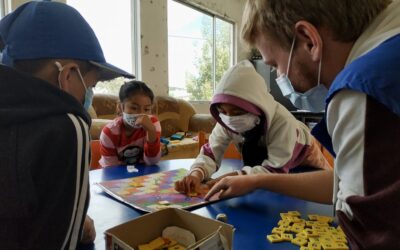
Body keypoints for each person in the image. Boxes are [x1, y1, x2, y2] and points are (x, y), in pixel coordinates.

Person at [206, 1, 400, 249]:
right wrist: (256, 180)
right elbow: (341, 184)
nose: (278, 78)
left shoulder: (361, 90)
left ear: (309, 40)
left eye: (275, 65)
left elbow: (372, 237)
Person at [0, 2, 133, 249]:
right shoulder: (68, 126)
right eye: (91, 85)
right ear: (67, 75)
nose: (89, 94)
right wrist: (72, 222)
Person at [175, 60, 331, 194]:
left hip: (304, 165)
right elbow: (210, 153)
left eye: (238, 112)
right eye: (223, 111)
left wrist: (233, 177)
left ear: (257, 108)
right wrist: (196, 174)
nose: (230, 118)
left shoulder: (283, 123)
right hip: (269, 165)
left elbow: (274, 171)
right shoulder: (226, 121)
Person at [99, 81, 161, 167]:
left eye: (146, 109)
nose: (141, 114)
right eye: (134, 108)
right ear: (120, 107)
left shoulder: (153, 123)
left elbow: (152, 162)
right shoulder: (109, 133)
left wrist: (151, 132)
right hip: (117, 175)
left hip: (143, 175)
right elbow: (111, 170)